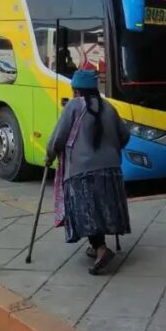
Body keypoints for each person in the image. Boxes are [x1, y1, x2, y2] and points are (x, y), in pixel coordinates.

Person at [46, 70, 131, 275]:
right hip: (111, 170)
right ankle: (96, 247)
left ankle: (101, 250)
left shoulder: (73, 106)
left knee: (88, 212)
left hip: (82, 171)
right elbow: (125, 135)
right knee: (103, 208)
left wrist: (49, 155)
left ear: (76, 90)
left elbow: (58, 137)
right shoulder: (109, 107)